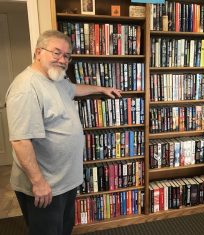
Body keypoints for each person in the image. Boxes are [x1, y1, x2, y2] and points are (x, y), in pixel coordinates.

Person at [5, 30, 121, 235]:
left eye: (66, 56)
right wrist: (39, 183)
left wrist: (102, 89)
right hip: (44, 187)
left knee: (63, 230)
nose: (62, 60)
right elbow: (21, 141)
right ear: (38, 52)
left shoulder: (55, 80)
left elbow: (75, 89)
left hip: (64, 181)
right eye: (56, 53)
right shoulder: (26, 87)